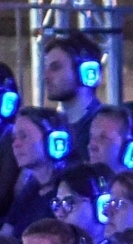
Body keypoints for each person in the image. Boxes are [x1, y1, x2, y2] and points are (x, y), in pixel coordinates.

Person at [42, 35, 104, 164]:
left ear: (85, 71)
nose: (46, 76)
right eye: (46, 69)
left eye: (55, 68)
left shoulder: (104, 130)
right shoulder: (51, 128)